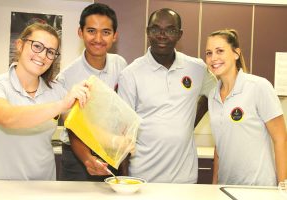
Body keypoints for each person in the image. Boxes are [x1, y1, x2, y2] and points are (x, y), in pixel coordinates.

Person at [116, 8, 217, 183]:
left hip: (185, 180)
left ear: (179, 34)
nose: (162, 36)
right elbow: (123, 131)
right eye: (155, 29)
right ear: (148, 32)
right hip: (143, 179)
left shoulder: (197, 68)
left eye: (170, 30)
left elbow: (215, 93)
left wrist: (190, 122)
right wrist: (124, 179)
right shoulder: (130, 74)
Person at [0, 23, 89, 180]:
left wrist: (118, 141)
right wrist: (61, 104)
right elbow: (7, 117)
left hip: (44, 186)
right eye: (37, 46)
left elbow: (82, 128)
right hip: (1, 187)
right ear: (20, 45)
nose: (42, 55)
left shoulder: (56, 91)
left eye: (50, 52)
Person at [205, 29, 287, 186]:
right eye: (209, 53)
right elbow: (220, 145)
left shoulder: (258, 87)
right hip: (226, 187)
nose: (213, 58)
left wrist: (283, 187)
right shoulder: (212, 95)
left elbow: (281, 139)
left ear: (236, 53)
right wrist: (215, 185)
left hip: (258, 188)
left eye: (220, 51)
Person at [56, 3, 127, 181]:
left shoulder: (121, 65)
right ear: (80, 32)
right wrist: (87, 159)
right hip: (77, 156)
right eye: (91, 31)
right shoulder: (67, 77)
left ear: (115, 36)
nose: (98, 38)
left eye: (106, 32)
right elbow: (73, 127)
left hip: (110, 151)